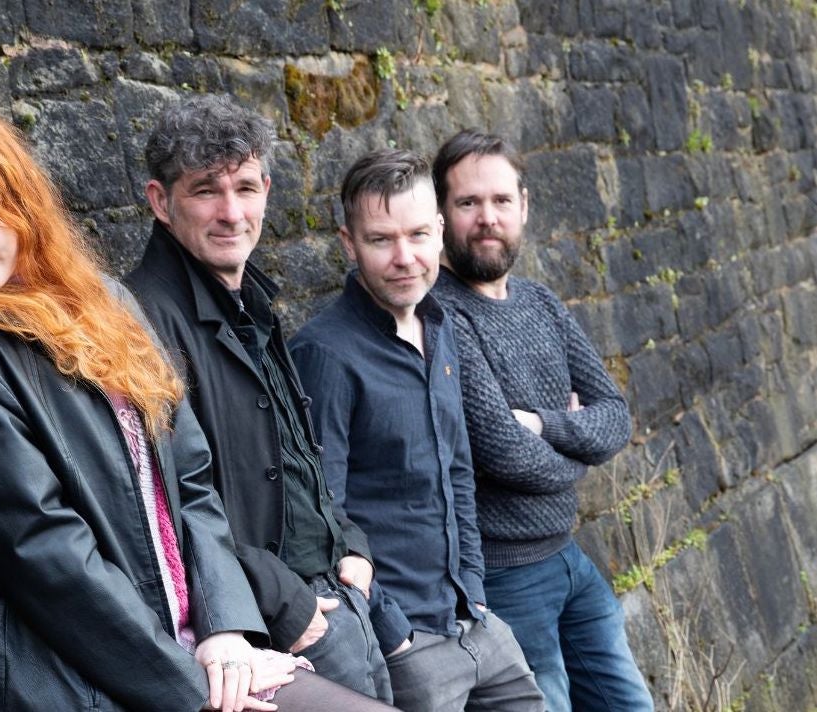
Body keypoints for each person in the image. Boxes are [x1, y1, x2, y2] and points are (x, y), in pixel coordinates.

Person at [0, 96, 394, 712]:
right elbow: (43, 552)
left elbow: (190, 480)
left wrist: (226, 628)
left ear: (19, 200)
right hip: (97, 678)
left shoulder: (108, 303)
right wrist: (187, 685)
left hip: (205, 649)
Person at [126, 93, 393, 702]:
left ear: (267, 191)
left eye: (245, 188)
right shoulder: (141, 321)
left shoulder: (252, 298)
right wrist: (283, 600)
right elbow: (163, 504)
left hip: (335, 592)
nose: (230, 212)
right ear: (160, 202)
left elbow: (296, 451)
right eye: (204, 191)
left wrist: (350, 541)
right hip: (276, 619)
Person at [289, 148, 544, 712]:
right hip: (408, 648)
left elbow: (457, 472)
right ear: (349, 244)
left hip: (476, 623)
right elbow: (319, 516)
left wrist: (474, 592)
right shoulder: (324, 354)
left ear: (439, 231)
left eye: (418, 235)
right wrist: (395, 634)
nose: (405, 257)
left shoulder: (440, 324)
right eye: (381, 240)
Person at [429, 128, 655, 712]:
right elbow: (499, 449)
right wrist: (578, 451)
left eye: (501, 201)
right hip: (504, 575)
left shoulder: (541, 302)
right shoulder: (440, 313)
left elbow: (615, 415)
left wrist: (545, 426)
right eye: (468, 203)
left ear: (524, 206)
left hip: (569, 556)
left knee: (630, 703)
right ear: (442, 214)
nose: (487, 218)